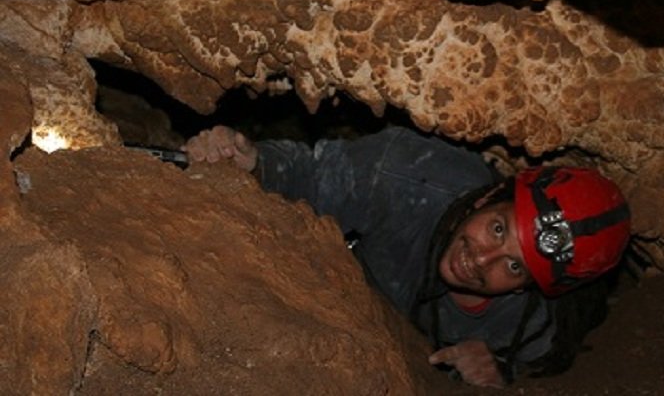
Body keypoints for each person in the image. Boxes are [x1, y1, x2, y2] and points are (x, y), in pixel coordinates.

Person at [183, 124, 630, 387]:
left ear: (530, 288)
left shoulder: (525, 325)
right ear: (488, 197)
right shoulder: (407, 175)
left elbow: (551, 357)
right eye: (498, 228)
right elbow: (310, 176)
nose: (482, 260)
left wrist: (502, 370)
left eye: (515, 266)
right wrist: (253, 163)